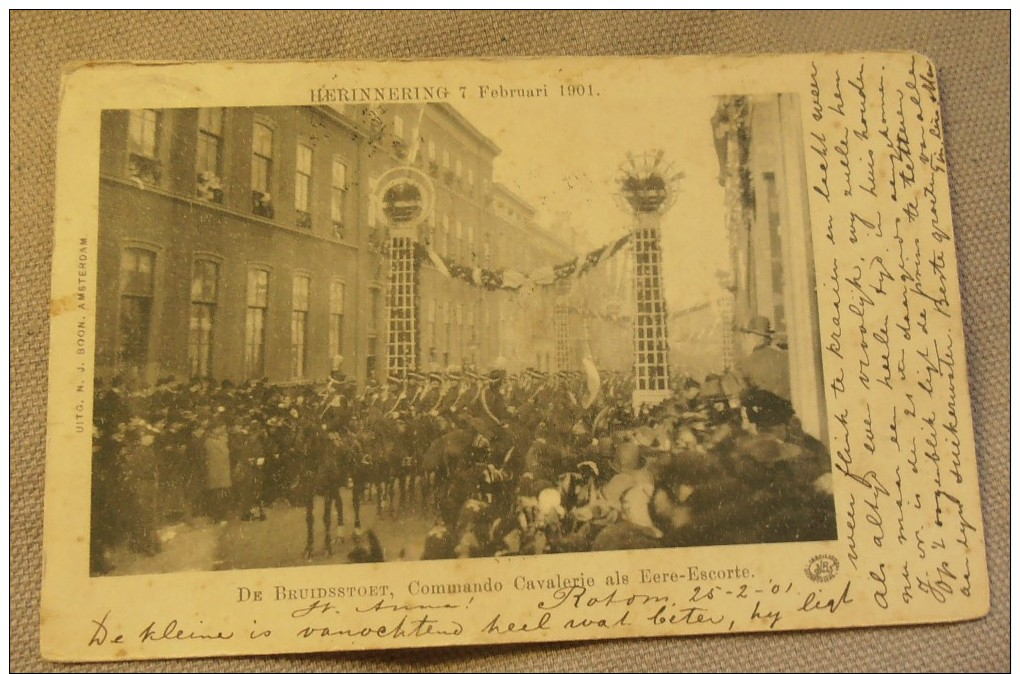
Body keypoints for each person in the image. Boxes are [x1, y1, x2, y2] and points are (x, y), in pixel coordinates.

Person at [735, 316, 791, 401]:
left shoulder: (747, 364)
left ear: (756, 337)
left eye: (746, 335)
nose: (743, 341)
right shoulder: (782, 356)